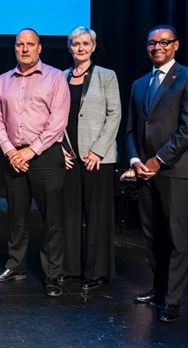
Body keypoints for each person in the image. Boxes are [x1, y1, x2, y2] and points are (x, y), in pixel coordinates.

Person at [0, 28, 70, 297]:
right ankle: (16, 266)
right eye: (19, 44)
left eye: (30, 44)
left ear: (39, 48)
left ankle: (53, 274)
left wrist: (30, 151)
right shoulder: (2, 81)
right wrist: (11, 150)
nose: (24, 49)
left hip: (45, 156)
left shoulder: (56, 77)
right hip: (13, 156)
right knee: (17, 216)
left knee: (52, 219)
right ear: (15, 48)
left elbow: (57, 122)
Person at [126, 24, 188, 323]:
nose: (158, 47)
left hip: (174, 170)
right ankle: (160, 288)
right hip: (144, 172)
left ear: (176, 45)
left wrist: (158, 160)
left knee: (177, 237)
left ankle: (173, 300)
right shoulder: (139, 84)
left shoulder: (186, 77)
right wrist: (137, 159)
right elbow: (130, 129)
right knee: (151, 235)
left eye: (164, 42)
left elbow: (187, 129)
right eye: (152, 43)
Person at [61, 26, 121, 290]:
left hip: (98, 157)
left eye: (86, 43)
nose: (81, 47)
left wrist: (97, 150)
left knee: (96, 216)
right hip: (69, 155)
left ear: (93, 47)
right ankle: (71, 267)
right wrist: (58, 147)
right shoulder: (60, 77)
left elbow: (114, 114)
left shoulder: (106, 76)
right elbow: (54, 118)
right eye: (76, 43)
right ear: (70, 47)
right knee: (69, 214)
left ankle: (94, 272)